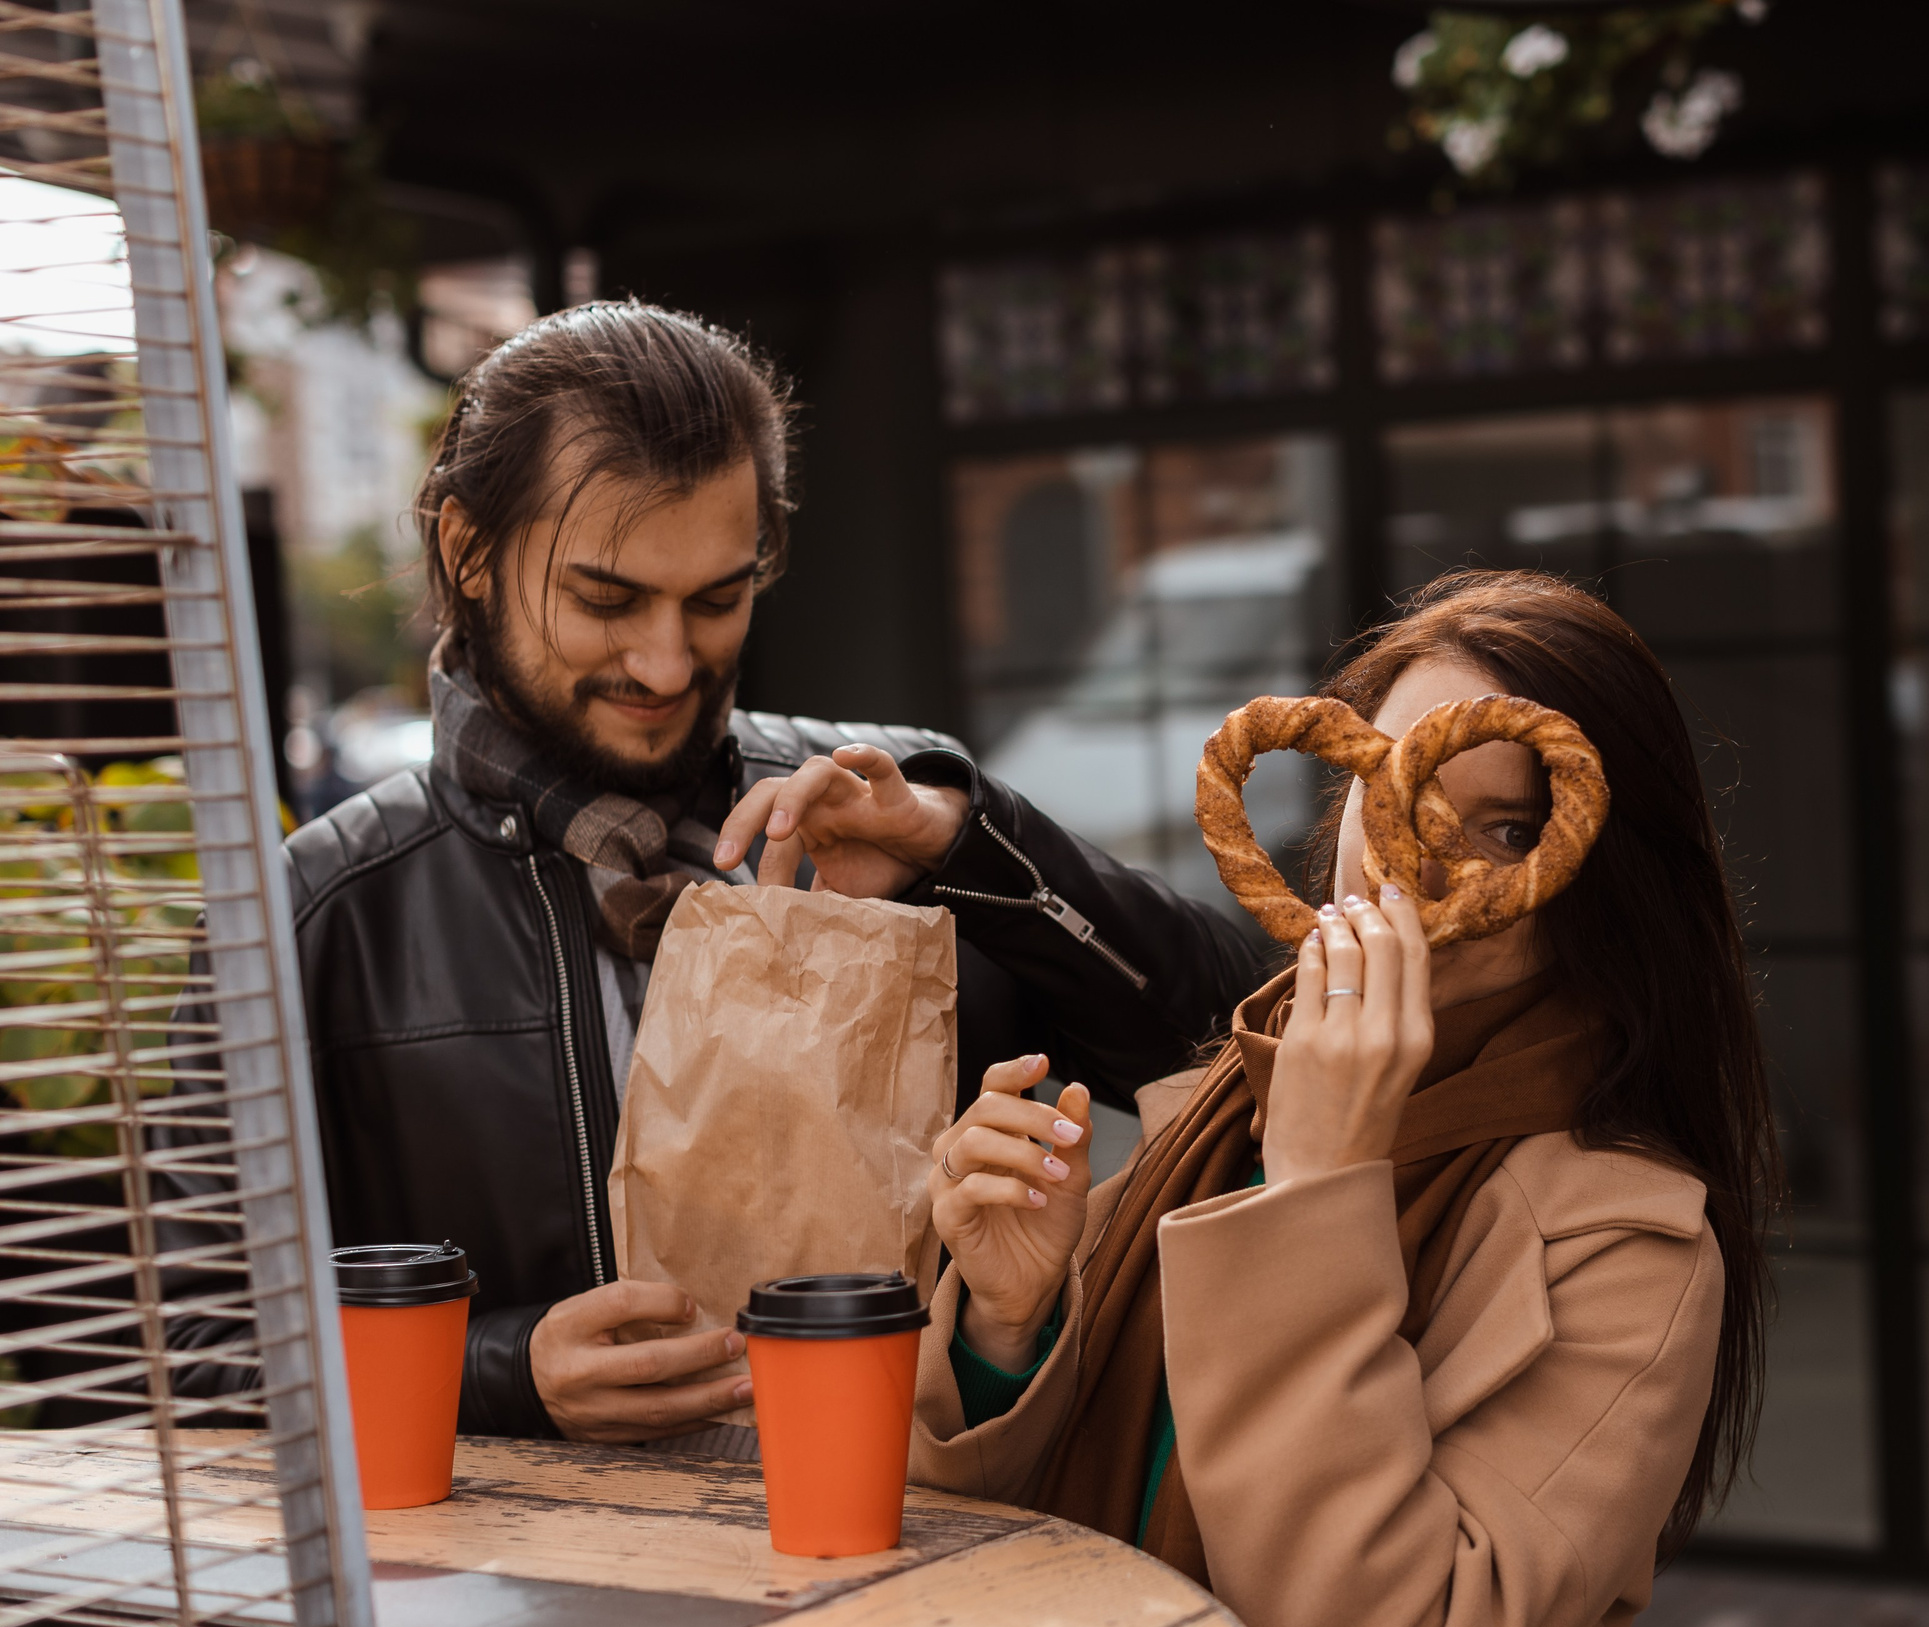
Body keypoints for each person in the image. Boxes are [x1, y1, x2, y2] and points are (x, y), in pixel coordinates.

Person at [160, 301, 1264, 1444]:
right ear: (466, 551)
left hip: (917, 1567)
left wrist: (965, 845)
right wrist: (497, 1373)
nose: (666, 661)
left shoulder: (882, 816)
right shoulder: (312, 916)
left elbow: (1237, 1055)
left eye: (718, 600)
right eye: (607, 599)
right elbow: (188, 1357)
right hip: (521, 1607)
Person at [911, 570, 1780, 1627]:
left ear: (1598, 873)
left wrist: (1325, 1186)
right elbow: (990, 1551)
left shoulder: (1629, 1251)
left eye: (1505, 827)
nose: (1413, 861)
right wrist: (1006, 1331)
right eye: (1386, 792)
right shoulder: (1217, 1110)